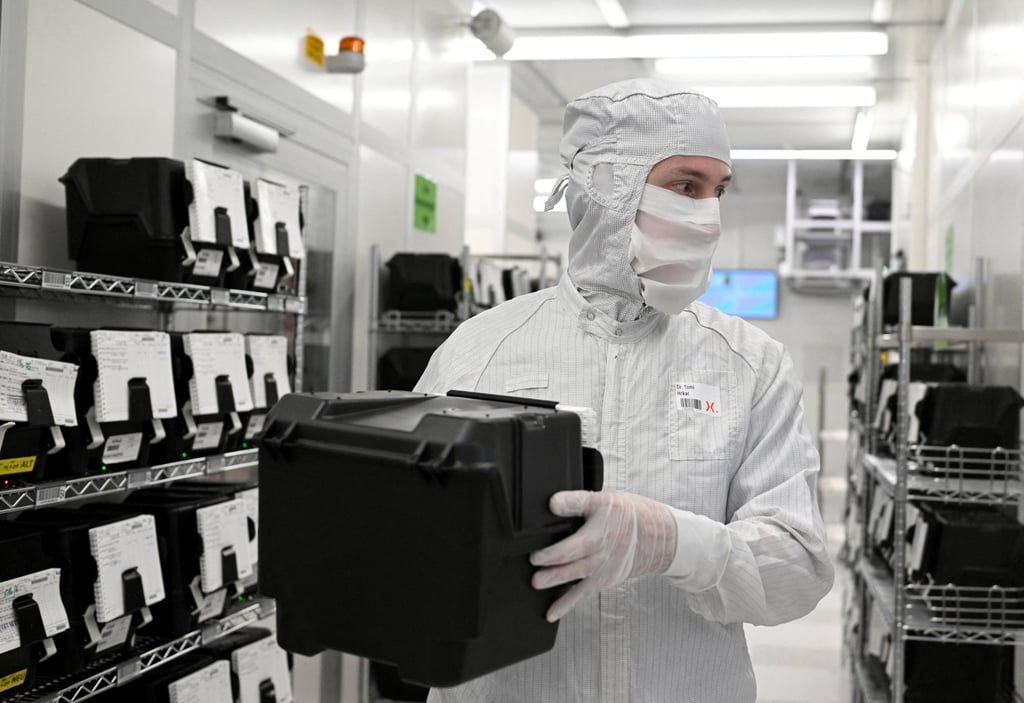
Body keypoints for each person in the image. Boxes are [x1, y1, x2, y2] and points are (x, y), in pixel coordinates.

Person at [414, 78, 834, 703]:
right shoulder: (479, 351)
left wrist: (671, 540)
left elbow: (799, 568)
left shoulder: (750, 365)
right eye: (686, 186)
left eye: (718, 191)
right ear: (606, 190)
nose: (709, 215)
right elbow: (411, 541)